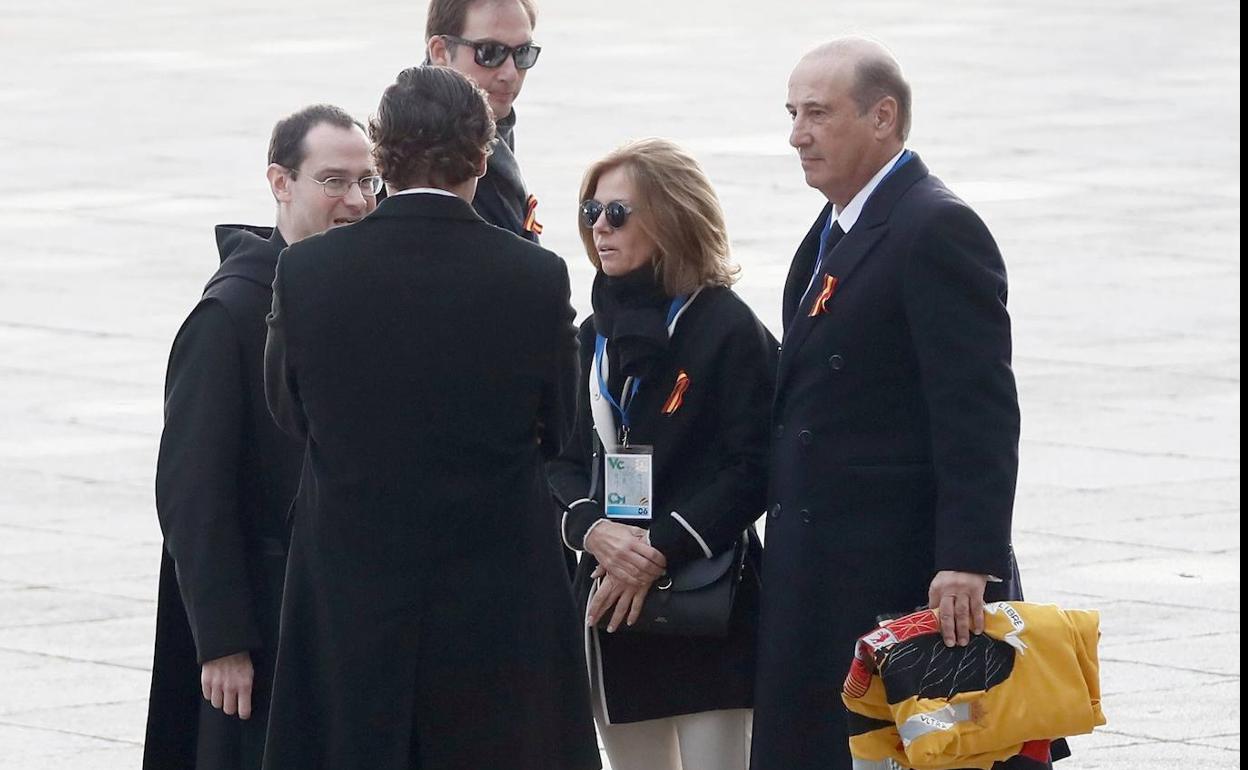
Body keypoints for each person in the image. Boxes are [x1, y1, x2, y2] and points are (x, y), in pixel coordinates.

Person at [260, 66, 599, 770]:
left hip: (352, 582)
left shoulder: (307, 272)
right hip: (496, 591)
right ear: (482, 154)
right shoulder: (534, 275)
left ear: (382, 155)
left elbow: (288, 411)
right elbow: (560, 426)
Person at [750, 38, 1025, 770]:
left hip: (896, 570)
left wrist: (969, 558)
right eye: (791, 113)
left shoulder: (934, 226)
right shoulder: (836, 225)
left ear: (883, 117)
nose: (796, 134)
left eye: (817, 113)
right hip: (822, 565)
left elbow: (979, 407)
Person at [143, 105, 380, 770]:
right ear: (281, 183)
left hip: (340, 615)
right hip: (263, 623)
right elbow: (192, 489)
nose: (357, 201)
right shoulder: (231, 313)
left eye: (368, 182)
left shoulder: (359, 293)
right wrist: (222, 640)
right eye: (333, 181)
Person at [548, 138, 776, 770]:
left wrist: (655, 550)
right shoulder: (589, 335)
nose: (599, 227)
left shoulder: (727, 326)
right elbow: (556, 460)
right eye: (592, 211)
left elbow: (753, 465)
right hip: (612, 600)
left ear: (671, 217)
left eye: (618, 213)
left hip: (707, 594)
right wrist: (592, 530)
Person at [426, 0, 544, 240]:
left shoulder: (491, 122)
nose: (510, 74)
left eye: (523, 53)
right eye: (490, 52)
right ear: (440, 52)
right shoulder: (418, 146)